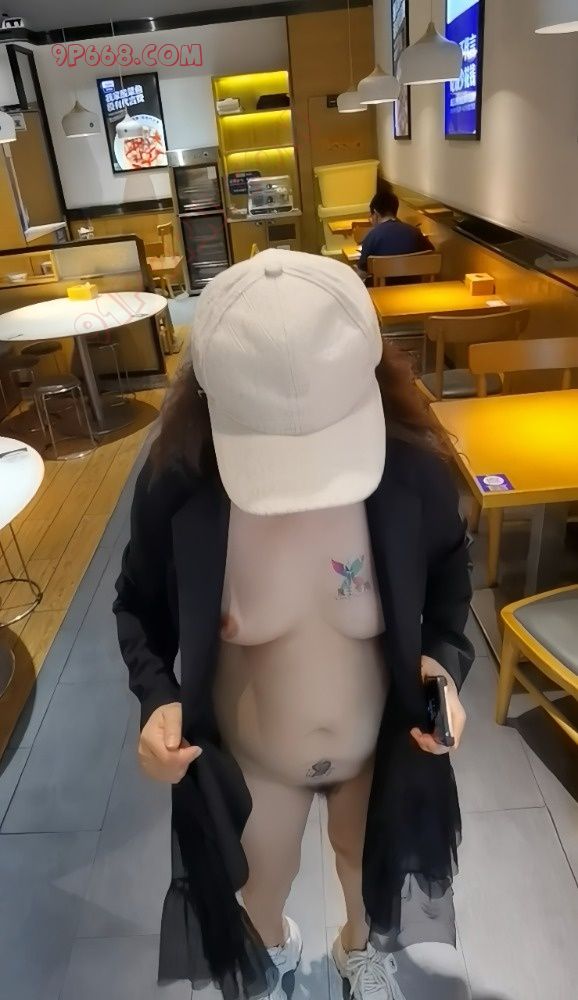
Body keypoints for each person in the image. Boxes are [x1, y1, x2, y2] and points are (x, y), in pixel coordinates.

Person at [114, 249, 473, 1000]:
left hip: (377, 745)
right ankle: (274, 950)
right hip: (255, 758)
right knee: (259, 887)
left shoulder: (410, 471)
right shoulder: (181, 488)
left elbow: (448, 572)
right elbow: (138, 604)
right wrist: (156, 700)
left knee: (367, 874)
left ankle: (356, 953)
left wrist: (442, 661)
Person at [358, 188, 434, 276]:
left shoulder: (372, 236)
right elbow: (431, 253)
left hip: (381, 284)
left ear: (375, 213)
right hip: (414, 283)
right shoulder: (415, 232)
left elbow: (362, 271)